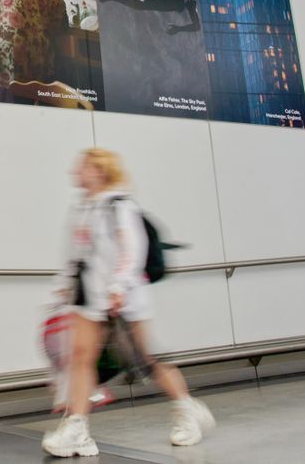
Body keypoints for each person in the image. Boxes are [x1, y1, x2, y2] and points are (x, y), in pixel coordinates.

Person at [42, 148, 214, 458]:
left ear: (101, 171)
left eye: (84, 167)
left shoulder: (120, 205)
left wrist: (119, 286)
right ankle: (77, 429)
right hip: (88, 299)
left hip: (124, 297)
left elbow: (132, 249)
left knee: (146, 359)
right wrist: (63, 288)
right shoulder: (82, 208)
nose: (77, 171)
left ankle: (189, 411)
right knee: (80, 359)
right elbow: (75, 254)